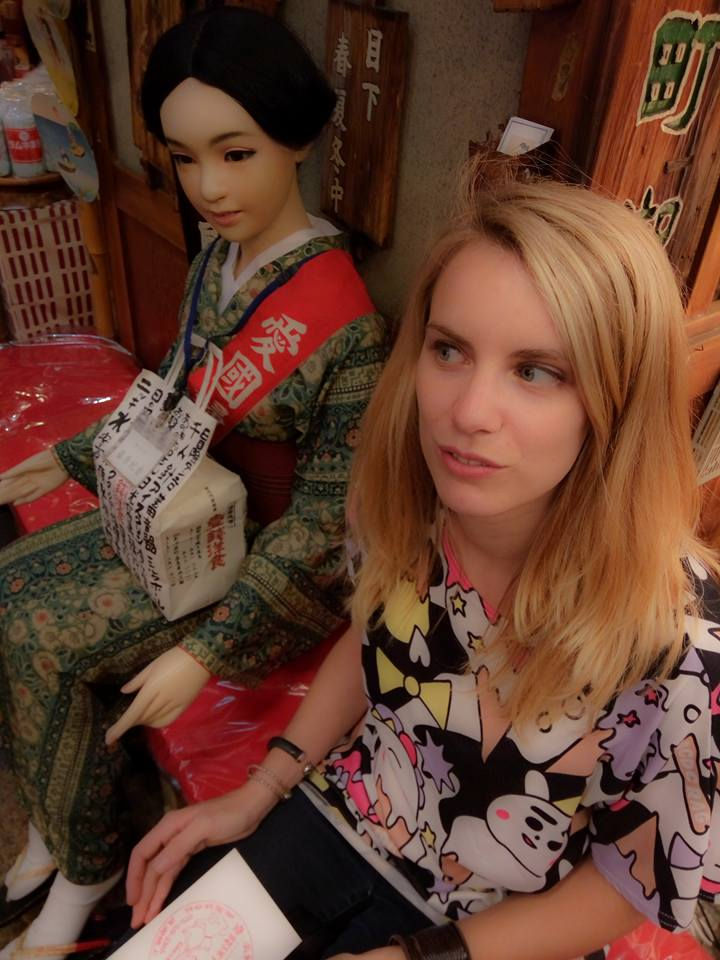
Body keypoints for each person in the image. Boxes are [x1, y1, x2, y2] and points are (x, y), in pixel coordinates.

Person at [122, 171, 720, 960]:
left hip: (502, 925)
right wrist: (263, 788)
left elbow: (630, 881)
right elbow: (370, 638)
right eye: (450, 350)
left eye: (536, 370)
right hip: (348, 814)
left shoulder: (680, 652)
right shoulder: (409, 502)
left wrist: (424, 956)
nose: (467, 413)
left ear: (615, 403)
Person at [0, 8, 386, 959]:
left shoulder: (348, 323)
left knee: (44, 634)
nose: (209, 187)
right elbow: (172, 393)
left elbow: (325, 531)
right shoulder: (218, 258)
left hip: (265, 573)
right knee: (11, 588)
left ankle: (87, 864)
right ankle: (60, 812)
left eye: (236, 152)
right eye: (183, 158)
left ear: (294, 140)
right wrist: (82, 454)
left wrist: (209, 655)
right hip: (178, 514)